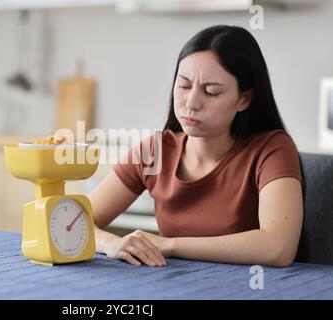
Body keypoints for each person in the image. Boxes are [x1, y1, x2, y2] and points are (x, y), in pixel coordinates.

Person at [88, 25, 303, 268]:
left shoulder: (271, 149)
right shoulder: (154, 151)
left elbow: (278, 247)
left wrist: (169, 245)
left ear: (244, 99)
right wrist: (110, 244)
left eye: (211, 92)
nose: (191, 103)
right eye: (184, 86)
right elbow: (75, 222)